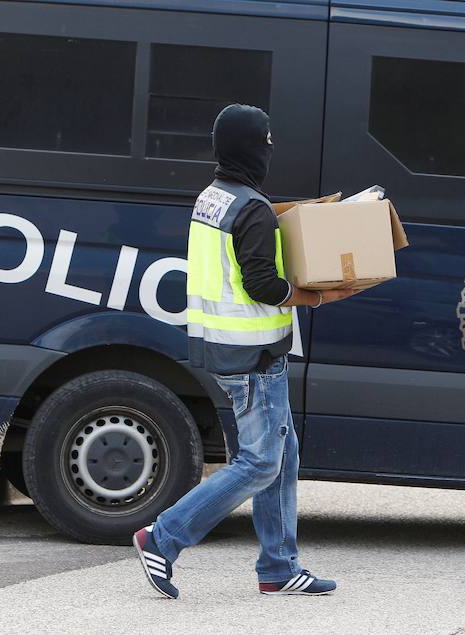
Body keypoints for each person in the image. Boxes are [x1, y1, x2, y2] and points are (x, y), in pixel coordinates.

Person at [133, 104, 359, 599]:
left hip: (226, 348)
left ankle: (278, 566)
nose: (270, 149)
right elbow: (262, 285)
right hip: (254, 355)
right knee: (260, 462)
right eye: (266, 141)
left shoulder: (214, 197)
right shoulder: (250, 208)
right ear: (250, 147)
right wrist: (320, 295)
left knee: (283, 454)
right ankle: (162, 538)